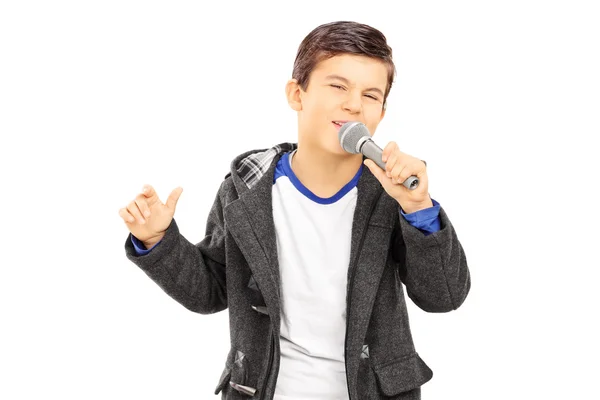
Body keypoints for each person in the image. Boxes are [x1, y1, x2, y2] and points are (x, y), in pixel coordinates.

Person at [119, 20, 471, 400]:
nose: (353, 103)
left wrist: (418, 209)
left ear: (381, 114)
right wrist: (157, 240)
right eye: (338, 86)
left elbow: (444, 297)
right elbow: (211, 291)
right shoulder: (246, 189)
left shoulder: (393, 194)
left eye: (371, 95)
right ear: (296, 94)